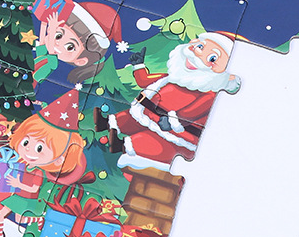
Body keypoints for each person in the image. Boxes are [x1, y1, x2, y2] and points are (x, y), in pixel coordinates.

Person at [94, 32, 241, 171]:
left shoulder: (208, 94)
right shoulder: (175, 76)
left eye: (212, 58)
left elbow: (193, 111)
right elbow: (146, 81)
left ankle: (121, 145)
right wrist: (139, 66)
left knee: (153, 141)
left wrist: (174, 120)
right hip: (148, 113)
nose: (198, 55)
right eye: (200, 47)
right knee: (128, 118)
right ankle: (105, 123)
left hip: (174, 132)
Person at [0, 89, 87, 237]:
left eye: (39, 148)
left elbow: (34, 188)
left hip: (27, 200)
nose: (29, 150)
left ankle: (39, 219)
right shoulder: (23, 164)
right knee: (1, 214)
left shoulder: (38, 171)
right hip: (17, 197)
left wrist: (18, 184)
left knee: (20, 219)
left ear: (60, 158)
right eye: (26, 142)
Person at [33, 0, 122, 87]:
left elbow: (51, 50)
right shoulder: (43, 56)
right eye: (58, 35)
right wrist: (44, 22)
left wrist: (52, 30)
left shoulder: (52, 63)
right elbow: (42, 43)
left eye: (70, 47)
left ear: (80, 61)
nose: (57, 43)